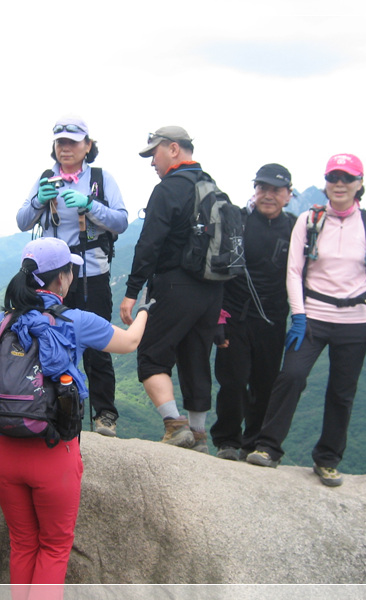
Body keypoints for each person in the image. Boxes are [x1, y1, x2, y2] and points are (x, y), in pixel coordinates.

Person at [0, 237, 151, 586]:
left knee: (22, 544)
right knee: (54, 547)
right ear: (62, 279)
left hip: (1, 449)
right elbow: (130, 342)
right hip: (51, 451)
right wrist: (143, 312)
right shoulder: (75, 320)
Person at [246, 153, 366, 487]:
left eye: (347, 178)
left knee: (342, 392)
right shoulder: (310, 221)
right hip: (313, 315)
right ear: (326, 183)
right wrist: (299, 316)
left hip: (356, 320)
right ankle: (268, 447)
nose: (339, 185)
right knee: (291, 376)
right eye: (334, 178)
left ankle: (327, 460)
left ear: (359, 184)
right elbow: (294, 271)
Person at [16, 115, 128, 437]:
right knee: (48, 339)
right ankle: (52, 406)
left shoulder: (100, 179)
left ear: (87, 145)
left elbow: (120, 221)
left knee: (98, 341)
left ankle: (104, 414)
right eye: (60, 142)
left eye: (72, 141)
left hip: (91, 272)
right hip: (52, 276)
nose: (65, 147)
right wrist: (40, 199)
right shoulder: (45, 178)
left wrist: (89, 204)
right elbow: (23, 220)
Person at [119, 126, 225, 453]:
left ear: (174, 149)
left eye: (155, 152)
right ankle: (199, 434)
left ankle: (174, 424)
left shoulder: (168, 190)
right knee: (196, 357)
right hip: (212, 291)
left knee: (151, 355)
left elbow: (149, 244)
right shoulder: (215, 189)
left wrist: (132, 291)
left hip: (175, 285)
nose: (152, 161)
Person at [211, 164, 296, 461]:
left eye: (275, 190)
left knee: (265, 384)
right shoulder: (239, 222)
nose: (268, 195)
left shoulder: (296, 228)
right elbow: (219, 270)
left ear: (288, 195)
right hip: (235, 316)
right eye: (262, 188)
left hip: (273, 320)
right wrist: (218, 319)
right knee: (232, 382)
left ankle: (256, 443)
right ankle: (227, 441)